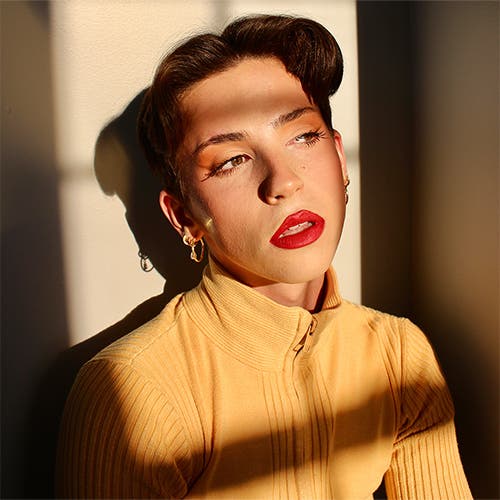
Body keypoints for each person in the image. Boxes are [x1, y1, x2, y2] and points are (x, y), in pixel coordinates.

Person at [56, 14, 472, 499]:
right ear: (183, 216)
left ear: (339, 159)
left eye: (302, 136)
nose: (284, 182)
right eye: (231, 160)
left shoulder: (398, 354)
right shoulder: (132, 389)